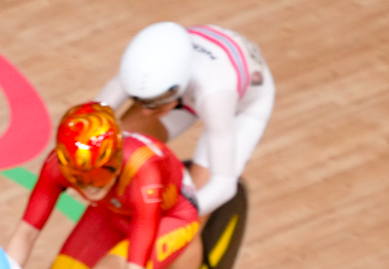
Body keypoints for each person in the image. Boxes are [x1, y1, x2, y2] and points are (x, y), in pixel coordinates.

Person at [5, 103, 203, 269]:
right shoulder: (58, 165)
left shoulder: (142, 169)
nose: (89, 185)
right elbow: (25, 233)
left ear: (116, 157)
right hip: (113, 209)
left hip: (168, 214)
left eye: (97, 174)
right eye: (78, 178)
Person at [103, 22, 274, 219]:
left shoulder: (214, 96)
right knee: (116, 149)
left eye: (154, 102)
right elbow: (88, 119)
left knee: (185, 224)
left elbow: (223, 185)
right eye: (140, 100)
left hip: (239, 108)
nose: (147, 111)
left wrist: (178, 218)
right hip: (192, 88)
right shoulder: (142, 71)